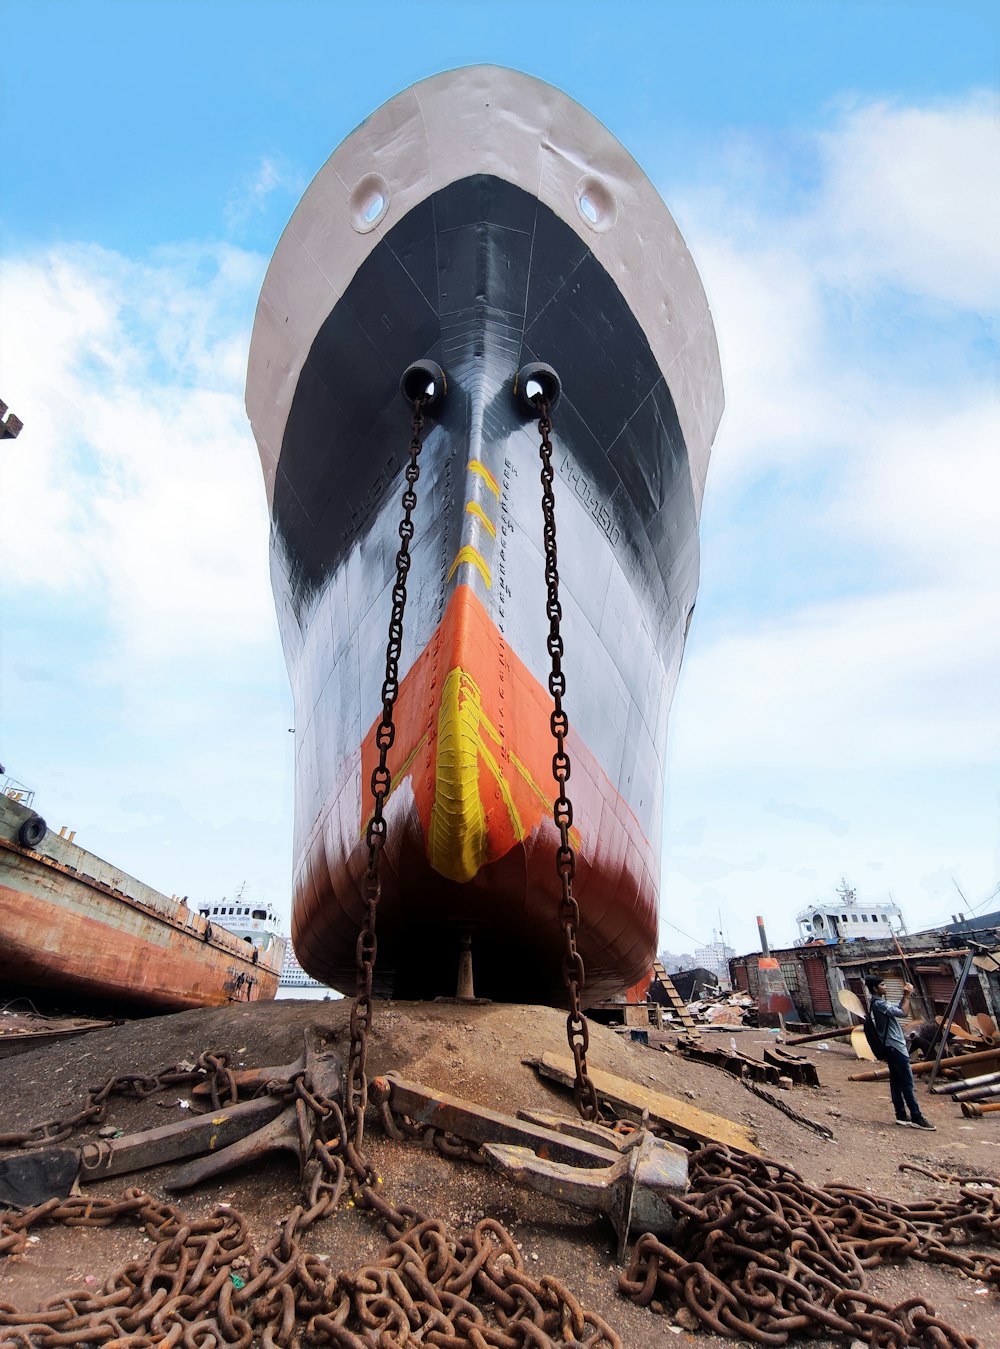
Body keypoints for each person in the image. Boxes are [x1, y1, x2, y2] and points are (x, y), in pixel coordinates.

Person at [864, 975, 936, 1130]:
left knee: (896, 1082)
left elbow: (898, 1008)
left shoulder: (879, 1003)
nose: (886, 986)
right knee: (907, 1083)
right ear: (875, 988)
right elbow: (903, 1013)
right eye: (883, 984)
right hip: (895, 1046)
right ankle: (916, 1117)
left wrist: (905, 997)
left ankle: (901, 1115)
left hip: (892, 1046)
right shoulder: (878, 1004)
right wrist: (907, 995)